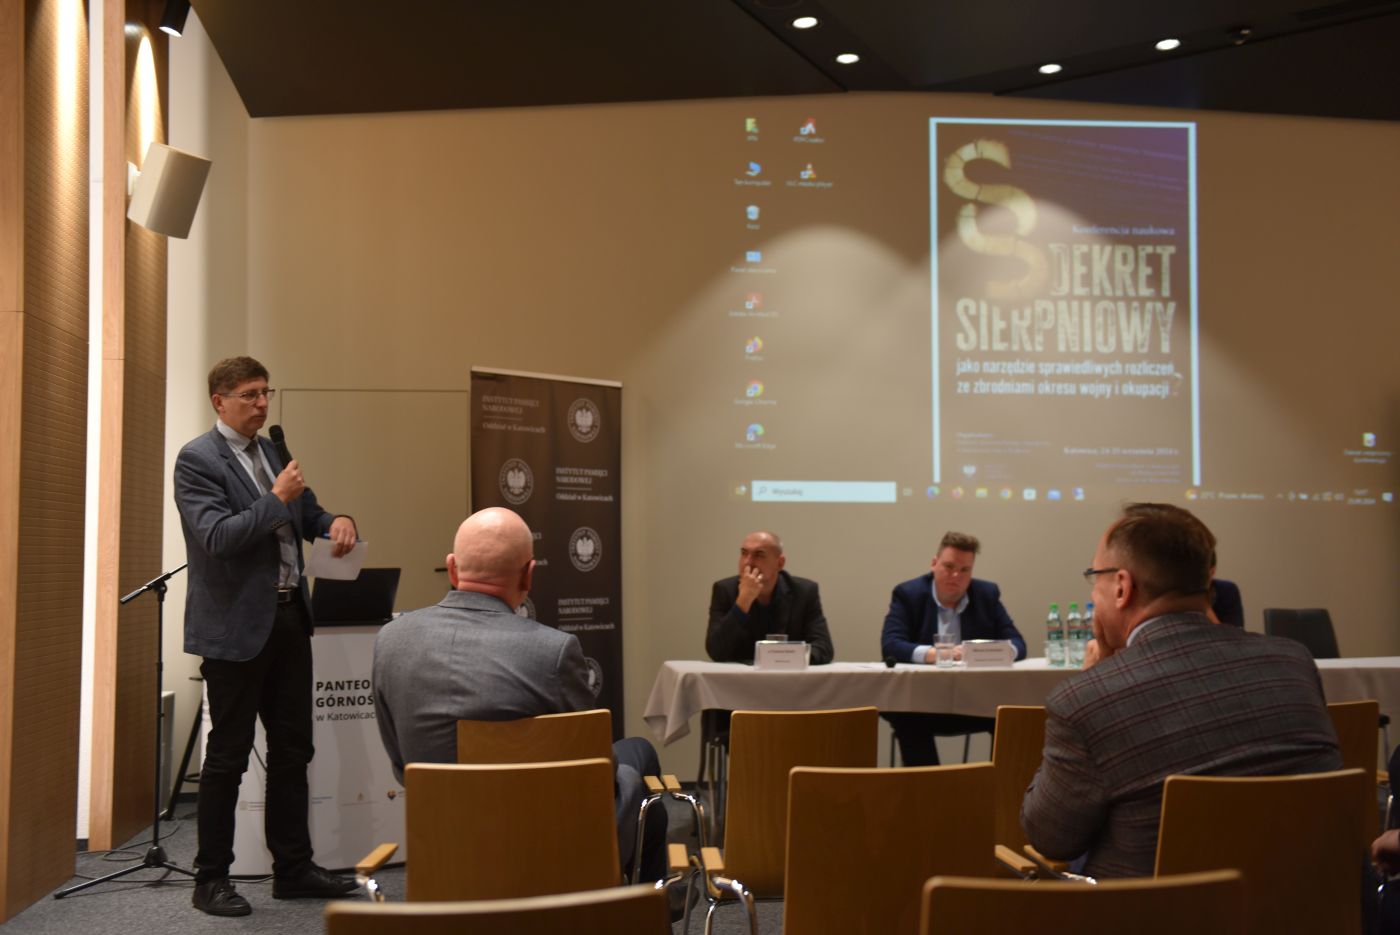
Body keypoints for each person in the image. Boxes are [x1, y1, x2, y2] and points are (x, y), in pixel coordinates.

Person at [1020, 503, 1342, 879]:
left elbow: (1050, 838)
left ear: (1122, 586)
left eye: (1095, 576)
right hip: (1314, 902)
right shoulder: (1293, 661)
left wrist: (1094, 682)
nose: (1094, 591)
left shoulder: (1087, 699)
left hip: (1162, 907)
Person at [372, 507, 667, 883]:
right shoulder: (553, 650)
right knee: (641, 761)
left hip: (446, 844)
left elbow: (401, 762)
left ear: (452, 568)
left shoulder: (391, 640)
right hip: (543, 839)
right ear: (529, 574)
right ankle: (642, 904)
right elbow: (597, 772)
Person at [174, 356, 359, 916]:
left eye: (266, 393)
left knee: (293, 751)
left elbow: (308, 514)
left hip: (288, 619)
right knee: (228, 758)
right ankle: (211, 878)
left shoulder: (272, 451)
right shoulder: (197, 460)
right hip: (233, 630)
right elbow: (218, 538)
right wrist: (275, 498)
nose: (261, 404)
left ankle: (293, 868)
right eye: (250, 394)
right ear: (219, 401)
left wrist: (336, 522)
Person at [879, 531, 1026, 766]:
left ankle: (1002, 787)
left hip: (977, 699)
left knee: (1013, 715)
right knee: (907, 718)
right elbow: (891, 646)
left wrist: (986, 652)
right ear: (934, 564)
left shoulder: (986, 594)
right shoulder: (908, 594)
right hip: (921, 701)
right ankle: (931, 787)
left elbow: (1018, 644)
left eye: (964, 570)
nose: (956, 575)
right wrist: (940, 654)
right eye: (949, 566)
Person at [706, 531, 834, 664]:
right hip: (740, 675)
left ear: (780, 563)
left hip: (788, 675)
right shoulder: (725, 590)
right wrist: (743, 601)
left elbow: (823, 648)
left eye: (759, 554)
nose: (748, 562)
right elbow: (716, 651)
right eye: (744, 553)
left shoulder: (804, 592)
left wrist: (779, 659)